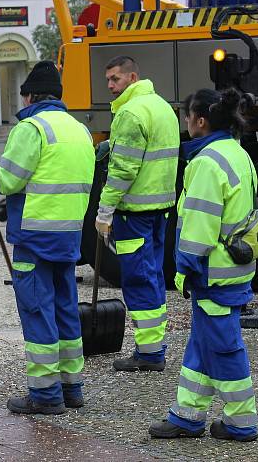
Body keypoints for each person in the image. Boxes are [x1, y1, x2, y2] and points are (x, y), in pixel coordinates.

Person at [0, 61, 95, 415]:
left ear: (30, 95)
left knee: (37, 312)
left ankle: (46, 395)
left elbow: (5, 181)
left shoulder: (32, 128)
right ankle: (70, 387)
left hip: (34, 240)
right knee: (66, 311)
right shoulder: (79, 130)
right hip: (68, 240)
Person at [149, 88, 258, 442]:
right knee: (202, 343)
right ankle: (187, 415)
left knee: (224, 348)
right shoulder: (236, 153)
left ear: (200, 121)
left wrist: (184, 272)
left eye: (187, 117)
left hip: (214, 275)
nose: (185, 123)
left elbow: (198, 228)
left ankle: (241, 422)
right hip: (234, 268)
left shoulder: (206, 163)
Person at [95, 56, 180, 372]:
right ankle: (153, 346)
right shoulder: (161, 106)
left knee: (138, 280)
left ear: (132, 77)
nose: (110, 86)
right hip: (160, 210)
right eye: (108, 80)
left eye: (115, 79)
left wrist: (104, 212)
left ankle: (149, 354)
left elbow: (122, 170)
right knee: (154, 276)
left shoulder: (131, 113)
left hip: (134, 213)